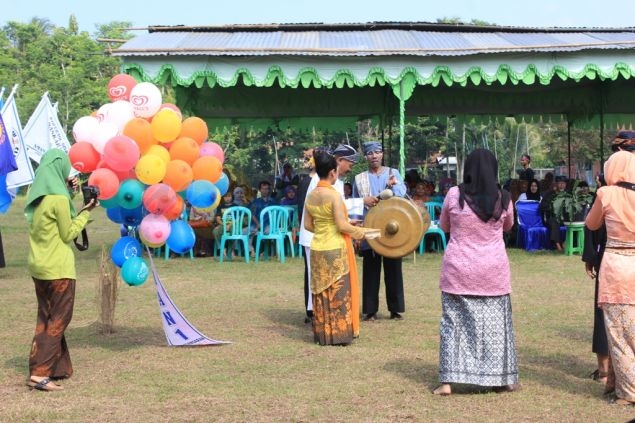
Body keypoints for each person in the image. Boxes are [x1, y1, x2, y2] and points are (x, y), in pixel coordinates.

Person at [433, 149, 518, 396]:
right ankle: (500, 380)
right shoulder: (504, 198)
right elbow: (509, 226)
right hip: (493, 270)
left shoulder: (454, 195)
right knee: (495, 327)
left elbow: (444, 226)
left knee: (452, 325)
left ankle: (447, 382)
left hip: (458, 269)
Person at [24, 149, 99, 392]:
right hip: (58, 269)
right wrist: (86, 212)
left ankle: (56, 367)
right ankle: (39, 375)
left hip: (39, 267)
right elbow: (68, 233)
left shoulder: (38, 198)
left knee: (45, 318)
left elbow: (56, 224)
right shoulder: (57, 200)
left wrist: (69, 192)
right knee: (58, 320)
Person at [303, 151, 375, 345]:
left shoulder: (312, 196)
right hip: (335, 247)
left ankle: (323, 334)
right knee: (338, 291)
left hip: (317, 246)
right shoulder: (333, 195)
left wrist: (331, 224)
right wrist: (361, 232)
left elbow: (308, 225)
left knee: (321, 292)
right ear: (333, 172)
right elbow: (342, 227)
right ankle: (339, 334)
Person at [585, 150, 635, 406]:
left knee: (620, 335)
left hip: (617, 267)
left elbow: (592, 224)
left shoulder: (607, 194)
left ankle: (628, 393)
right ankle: (615, 384)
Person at [352, 141, 407, 321]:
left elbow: (401, 193)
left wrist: (391, 186)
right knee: (371, 269)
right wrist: (356, 230)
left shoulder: (393, 173)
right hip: (370, 227)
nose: (374, 156)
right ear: (366, 157)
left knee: (393, 269)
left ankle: (395, 309)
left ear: (382, 154)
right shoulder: (359, 178)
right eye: (370, 153)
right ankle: (370, 310)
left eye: (377, 152)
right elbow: (356, 205)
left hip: (391, 227)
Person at [582, 173, 611, 390]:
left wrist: (590, 258)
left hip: (611, 259)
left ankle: (604, 371)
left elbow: (591, 226)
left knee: (603, 310)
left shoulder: (604, 194)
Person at [540, 175, 568, 251]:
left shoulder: (568, 195)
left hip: (564, 219)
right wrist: (553, 207)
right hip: (551, 217)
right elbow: (542, 206)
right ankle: (558, 245)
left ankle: (566, 242)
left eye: (563, 183)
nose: (562, 185)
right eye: (560, 183)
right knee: (554, 221)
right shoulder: (549, 194)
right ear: (556, 184)